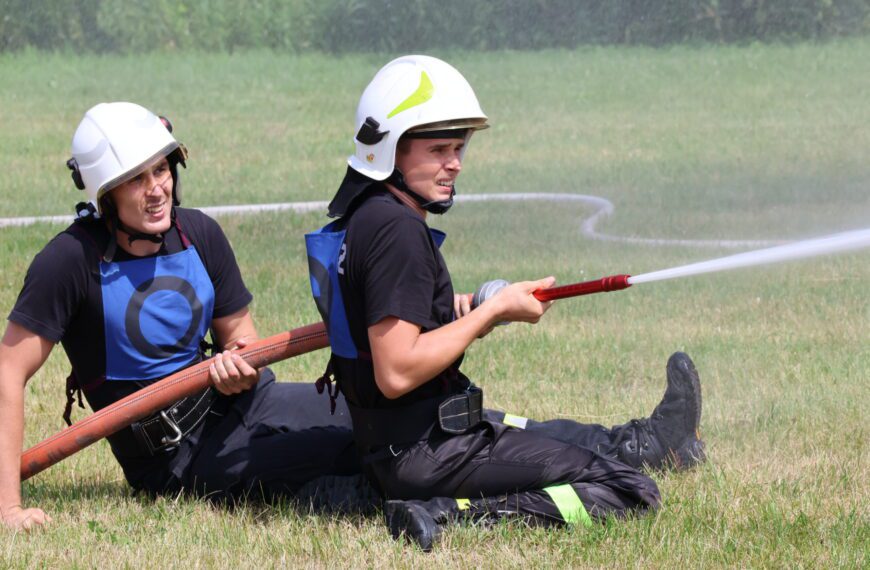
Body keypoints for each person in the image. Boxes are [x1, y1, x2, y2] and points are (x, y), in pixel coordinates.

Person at [306, 55, 706, 550]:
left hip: (402, 443)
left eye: (458, 148)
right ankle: (450, 516)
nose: (454, 163)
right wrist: (493, 314)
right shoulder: (397, 231)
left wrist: (472, 305)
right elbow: (396, 370)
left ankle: (653, 443)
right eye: (438, 150)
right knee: (628, 491)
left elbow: (390, 316)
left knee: (545, 433)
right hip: (426, 453)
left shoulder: (368, 215)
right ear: (390, 150)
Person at [0, 102, 369, 532]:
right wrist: (8, 508)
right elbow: (9, 373)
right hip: (176, 458)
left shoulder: (200, 233)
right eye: (136, 179)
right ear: (105, 195)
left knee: (377, 416)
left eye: (161, 170)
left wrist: (241, 368)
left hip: (247, 403)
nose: (156, 189)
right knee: (347, 450)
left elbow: (243, 340)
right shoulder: (69, 261)